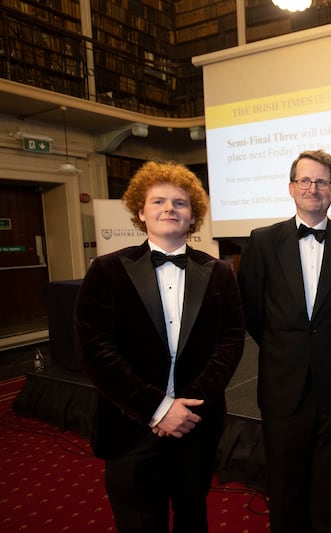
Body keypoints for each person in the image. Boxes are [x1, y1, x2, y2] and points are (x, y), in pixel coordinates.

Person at [74, 161, 245, 533]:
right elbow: (95, 349)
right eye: (159, 201)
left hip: (194, 426)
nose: (170, 208)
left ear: (193, 215)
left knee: (192, 520)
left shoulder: (219, 272)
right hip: (130, 427)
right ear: (140, 212)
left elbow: (229, 343)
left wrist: (185, 408)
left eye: (180, 203)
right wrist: (157, 408)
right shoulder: (106, 270)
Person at [237, 149, 331, 533]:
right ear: (292, 188)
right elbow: (252, 312)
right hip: (282, 383)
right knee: (284, 484)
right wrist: (288, 350)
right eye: (306, 181)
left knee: (327, 483)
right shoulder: (262, 242)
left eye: (322, 182)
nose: (314, 188)